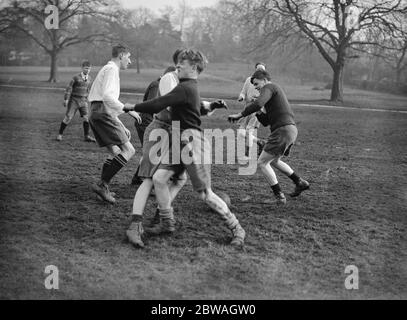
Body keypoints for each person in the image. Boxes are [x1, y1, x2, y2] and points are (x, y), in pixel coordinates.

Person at [124, 49, 246, 248]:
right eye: (178, 62)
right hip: (178, 138)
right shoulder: (186, 87)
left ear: (195, 67)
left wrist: (132, 106)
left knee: (205, 194)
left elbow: (158, 104)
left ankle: (237, 228)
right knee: (159, 178)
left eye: (183, 62)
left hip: (192, 142)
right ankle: (167, 222)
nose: (178, 65)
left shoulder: (186, 87)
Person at [228, 69, 309, 204]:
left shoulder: (270, 87)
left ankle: (279, 196)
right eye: (253, 85)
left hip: (282, 131)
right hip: (289, 130)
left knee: (262, 163)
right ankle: (299, 182)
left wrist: (240, 115)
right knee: (274, 161)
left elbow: (259, 103)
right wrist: (259, 111)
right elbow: (266, 122)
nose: (255, 87)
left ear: (264, 80)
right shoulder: (272, 92)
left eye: (256, 83)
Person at [88, 44, 141, 204]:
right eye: (128, 57)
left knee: (115, 152)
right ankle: (102, 185)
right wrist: (128, 109)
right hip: (102, 111)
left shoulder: (108, 69)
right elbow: (107, 98)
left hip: (96, 112)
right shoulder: (111, 70)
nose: (130, 61)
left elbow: (105, 100)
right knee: (129, 150)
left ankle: (103, 188)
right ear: (121, 56)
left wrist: (120, 123)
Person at [131, 66, 177, 186]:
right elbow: (152, 103)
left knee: (152, 153)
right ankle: (144, 179)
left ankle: (138, 178)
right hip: (146, 121)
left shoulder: (160, 84)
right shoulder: (157, 85)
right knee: (152, 153)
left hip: (149, 120)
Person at [56, 60, 96, 142]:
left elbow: (88, 89)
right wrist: (66, 99)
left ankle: (86, 136)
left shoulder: (90, 78)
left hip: (83, 101)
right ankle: (60, 135)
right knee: (68, 118)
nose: (87, 70)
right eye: (86, 68)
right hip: (74, 100)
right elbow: (69, 88)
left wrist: (89, 98)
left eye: (89, 69)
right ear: (82, 68)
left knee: (86, 118)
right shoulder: (75, 77)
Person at [237, 62, 267, 158]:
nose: (260, 71)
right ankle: (260, 142)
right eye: (258, 69)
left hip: (257, 109)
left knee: (249, 131)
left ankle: (247, 154)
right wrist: (241, 97)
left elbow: (266, 98)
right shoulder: (248, 80)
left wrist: (258, 100)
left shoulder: (265, 83)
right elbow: (243, 92)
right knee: (241, 132)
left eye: (262, 69)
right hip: (247, 108)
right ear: (255, 70)